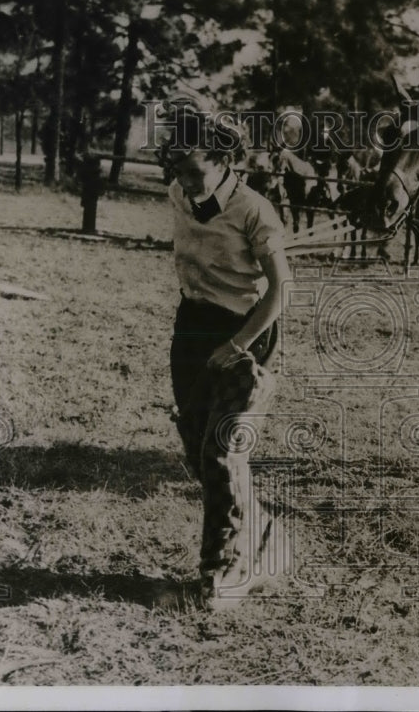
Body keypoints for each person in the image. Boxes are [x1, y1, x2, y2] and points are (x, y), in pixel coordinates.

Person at [163, 111, 291, 610]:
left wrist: (237, 346)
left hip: (246, 334)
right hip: (191, 330)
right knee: (199, 452)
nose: (185, 180)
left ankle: (222, 572)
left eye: (195, 170)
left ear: (221, 161)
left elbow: (280, 291)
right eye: (179, 168)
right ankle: (262, 538)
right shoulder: (179, 194)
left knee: (222, 453)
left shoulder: (254, 210)